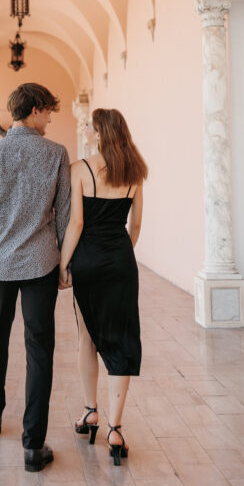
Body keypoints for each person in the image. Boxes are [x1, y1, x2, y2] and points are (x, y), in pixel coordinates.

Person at [0, 82, 71, 472]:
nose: (50, 119)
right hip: (42, 262)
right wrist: (66, 264)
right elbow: (64, 215)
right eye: (49, 111)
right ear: (37, 109)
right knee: (39, 348)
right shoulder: (56, 154)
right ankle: (33, 444)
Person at [58, 108, 147, 465]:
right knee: (122, 338)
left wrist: (64, 264)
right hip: (120, 260)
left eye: (89, 126)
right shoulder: (135, 171)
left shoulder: (79, 170)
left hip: (88, 261)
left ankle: (90, 411)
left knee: (87, 337)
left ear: (97, 133)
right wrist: (121, 257)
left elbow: (76, 224)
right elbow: (136, 225)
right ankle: (115, 428)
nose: (86, 130)